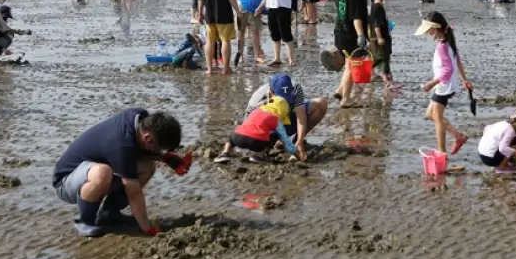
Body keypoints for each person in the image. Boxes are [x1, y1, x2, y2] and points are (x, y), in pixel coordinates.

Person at [52, 108, 188, 237]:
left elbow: (139, 151)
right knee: (102, 173)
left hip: (93, 171)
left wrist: (167, 158)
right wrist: (147, 226)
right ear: (147, 138)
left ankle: (109, 213)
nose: (159, 152)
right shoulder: (121, 144)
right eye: (160, 149)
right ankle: (84, 221)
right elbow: (133, 192)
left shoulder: (139, 117)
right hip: (65, 181)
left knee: (147, 168)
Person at [214, 74, 327, 163]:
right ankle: (261, 154)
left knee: (319, 104)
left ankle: (225, 151)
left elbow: (301, 117)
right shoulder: (257, 100)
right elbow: (248, 123)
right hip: (264, 133)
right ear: (271, 93)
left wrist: (299, 141)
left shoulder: (295, 88)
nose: (286, 101)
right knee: (269, 134)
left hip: (242, 134)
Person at [415, 11, 472, 155]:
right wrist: (464, 79)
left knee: (437, 117)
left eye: (428, 29)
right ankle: (459, 136)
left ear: (435, 28)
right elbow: (457, 59)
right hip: (447, 84)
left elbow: (447, 70)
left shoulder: (442, 46)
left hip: (444, 86)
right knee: (430, 114)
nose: (427, 33)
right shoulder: (448, 40)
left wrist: (430, 84)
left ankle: (441, 152)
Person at [214, 96, 302, 163]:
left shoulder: (255, 111)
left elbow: (247, 125)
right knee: (275, 135)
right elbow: (286, 141)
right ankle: (258, 156)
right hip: (256, 143)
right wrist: (297, 155)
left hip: (237, 138)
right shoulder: (276, 120)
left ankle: (225, 153)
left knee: (236, 131)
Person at [331, 0, 370, 106]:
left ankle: (341, 90)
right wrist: (361, 35)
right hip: (350, 35)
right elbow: (356, 17)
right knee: (353, 66)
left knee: (348, 64)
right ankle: (346, 100)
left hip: (339, 31)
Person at [256, 0, 295, 68]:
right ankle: (277, 58)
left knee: (286, 34)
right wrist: (260, 7)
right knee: (274, 34)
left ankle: (291, 59)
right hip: (271, 7)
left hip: (283, 7)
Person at [370, 0, 400, 91]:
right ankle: (388, 83)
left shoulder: (379, 6)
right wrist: (379, 37)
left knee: (381, 59)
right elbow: (376, 24)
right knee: (383, 60)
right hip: (379, 38)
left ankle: (387, 81)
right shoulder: (377, 7)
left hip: (382, 36)